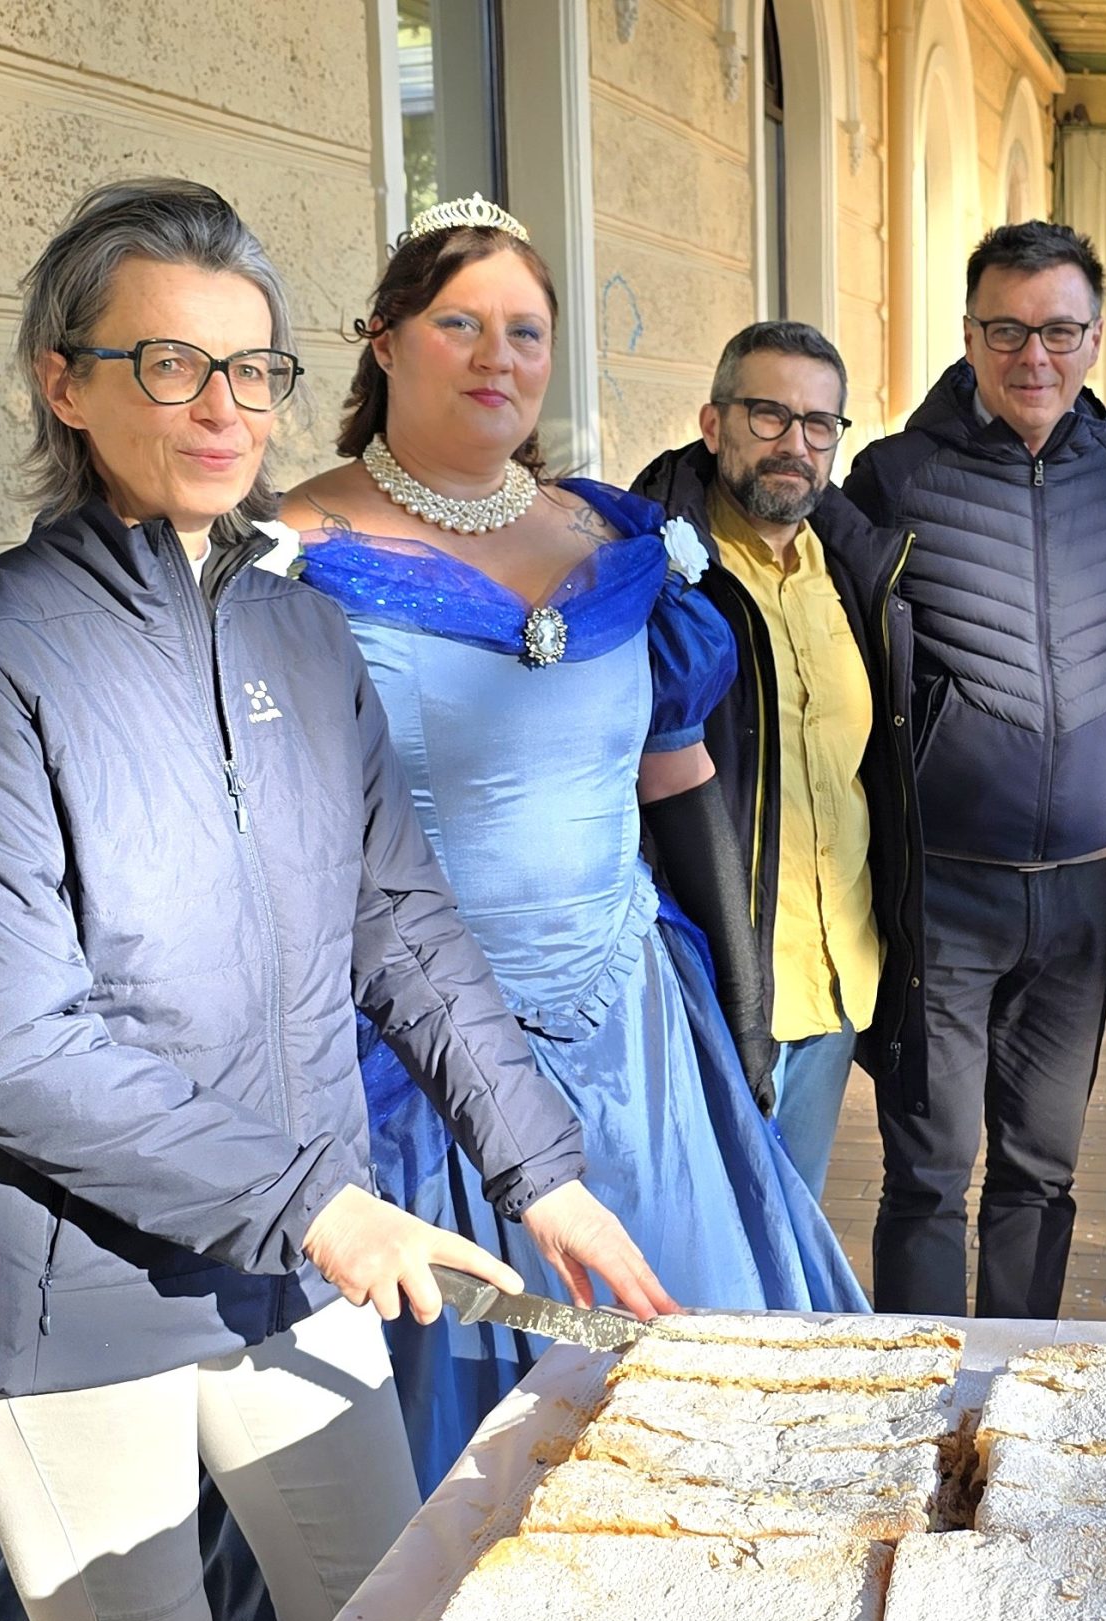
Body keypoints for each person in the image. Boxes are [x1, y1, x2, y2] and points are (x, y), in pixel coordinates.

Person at [0, 178, 670, 1621]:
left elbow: (399, 920)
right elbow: (13, 1046)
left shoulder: (298, 629)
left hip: (287, 1256)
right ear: (64, 384)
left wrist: (536, 1166)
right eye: (172, 363)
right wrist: (320, 1206)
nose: (225, 407)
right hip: (65, 1284)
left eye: (251, 366)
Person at [280, 199, 865, 1490]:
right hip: (417, 1059)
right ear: (384, 340)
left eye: (526, 331)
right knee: (472, 1441)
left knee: (689, 1403)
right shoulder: (290, 551)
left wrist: (744, 1004)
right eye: (460, 324)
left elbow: (677, 781)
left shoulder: (614, 540)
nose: (497, 356)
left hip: (638, 1036)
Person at [844, 221, 1106, 1318]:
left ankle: (1019, 1383)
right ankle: (918, 1390)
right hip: (944, 889)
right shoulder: (894, 476)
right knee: (928, 1174)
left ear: (1095, 337)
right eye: (1007, 330)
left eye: (1060, 331)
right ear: (970, 335)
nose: (1035, 356)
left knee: (1041, 1173)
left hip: (1083, 886)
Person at [632, 322, 919, 1200]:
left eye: (819, 423)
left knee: (793, 1230)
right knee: (707, 1246)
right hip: (713, 984)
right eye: (769, 415)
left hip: (835, 980)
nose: (795, 442)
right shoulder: (661, 573)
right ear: (713, 423)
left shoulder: (858, 569)